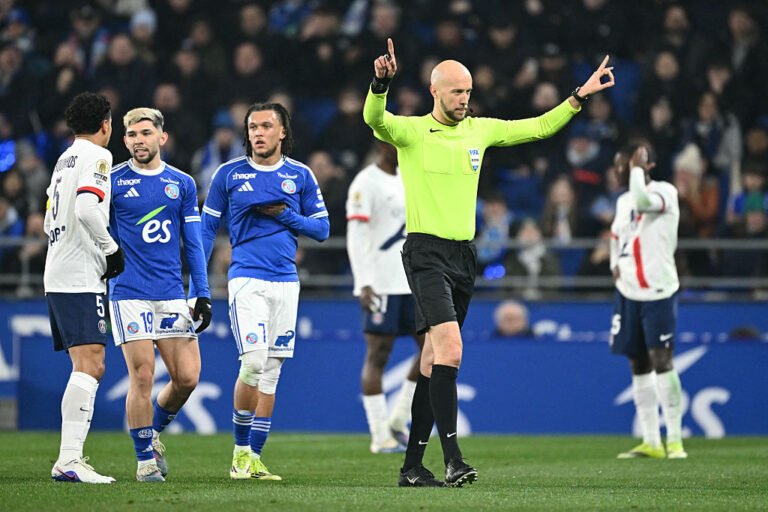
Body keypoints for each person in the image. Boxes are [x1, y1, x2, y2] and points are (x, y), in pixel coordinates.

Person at [363, 38, 615, 487]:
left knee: (431, 361)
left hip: (464, 256)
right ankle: (453, 459)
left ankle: (411, 468)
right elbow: (374, 119)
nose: (465, 98)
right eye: (456, 91)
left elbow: (538, 127)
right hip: (425, 253)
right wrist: (380, 84)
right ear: (435, 91)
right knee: (451, 350)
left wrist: (578, 97)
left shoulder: (480, 130)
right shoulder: (412, 132)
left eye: (468, 91)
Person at [192, 102, 329, 480]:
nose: (258, 133)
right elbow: (206, 231)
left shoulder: (300, 174)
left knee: (270, 373)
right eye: (253, 127)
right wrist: (198, 287)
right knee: (253, 362)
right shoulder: (228, 174)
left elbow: (322, 229)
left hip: (286, 281)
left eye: (266, 126)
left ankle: (253, 458)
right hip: (247, 279)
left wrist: (284, 215)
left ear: (282, 132)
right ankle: (239, 453)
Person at [108, 107, 212, 482]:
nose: (139, 140)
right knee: (142, 376)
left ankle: (151, 434)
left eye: (146, 133)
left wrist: (202, 292)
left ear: (161, 137)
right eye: (132, 135)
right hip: (128, 292)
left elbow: (193, 243)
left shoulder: (181, 183)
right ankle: (144, 463)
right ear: (125, 140)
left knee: (187, 377)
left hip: (170, 293)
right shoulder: (112, 181)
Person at [44, 92, 125, 484]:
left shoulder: (64, 159)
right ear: (106, 124)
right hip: (78, 274)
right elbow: (87, 208)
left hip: (59, 268)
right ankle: (70, 459)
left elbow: (49, 217)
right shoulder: (98, 156)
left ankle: (70, 458)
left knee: (86, 363)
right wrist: (111, 249)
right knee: (91, 363)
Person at [346, 140, 424, 454]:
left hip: (414, 281)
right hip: (380, 283)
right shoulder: (366, 182)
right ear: (381, 143)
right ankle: (380, 435)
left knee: (433, 350)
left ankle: (399, 418)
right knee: (378, 355)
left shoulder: (413, 176)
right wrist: (364, 282)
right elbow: (357, 235)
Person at [609, 145, 687, 460]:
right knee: (638, 362)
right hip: (628, 291)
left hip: (658, 290)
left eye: (624, 166)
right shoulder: (622, 201)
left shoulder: (665, 192)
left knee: (661, 360)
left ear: (646, 166)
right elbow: (617, 236)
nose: (618, 172)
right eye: (618, 166)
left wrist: (638, 169)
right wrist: (614, 265)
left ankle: (676, 441)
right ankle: (651, 441)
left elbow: (643, 201)